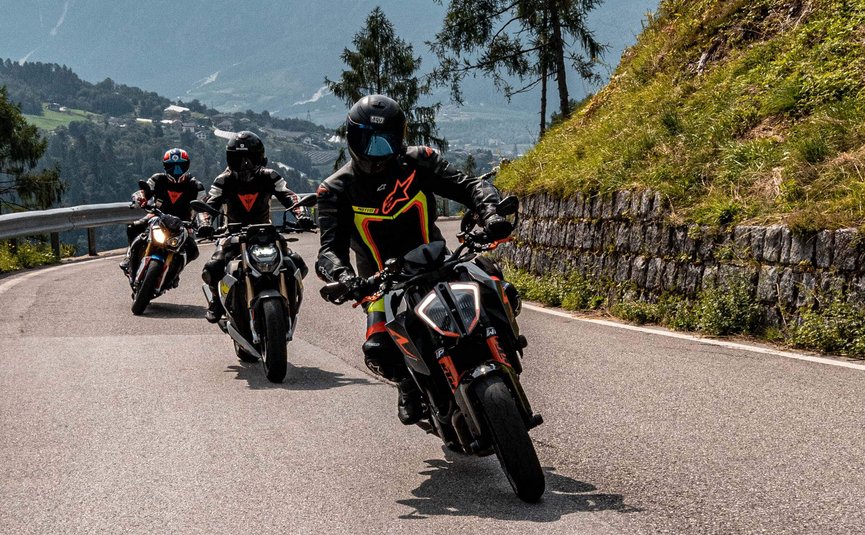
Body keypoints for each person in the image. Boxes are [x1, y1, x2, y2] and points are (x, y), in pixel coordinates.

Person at [314, 94, 513, 425]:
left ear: (400, 138)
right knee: (378, 349)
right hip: (380, 283)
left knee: (496, 287)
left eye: (386, 140)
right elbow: (328, 250)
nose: (377, 151)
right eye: (368, 140)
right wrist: (346, 279)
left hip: (438, 260)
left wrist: (490, 213)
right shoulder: (335, 190)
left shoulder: (421, 160)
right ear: (352, 138)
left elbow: (469, 187)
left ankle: (505, 348)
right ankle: (408, 384)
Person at [199, 130, 313, 323]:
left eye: (250, 158)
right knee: (214, 266)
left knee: (297, 264)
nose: (245, 165)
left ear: (260, 158)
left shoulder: (270, 177)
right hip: (233, 233)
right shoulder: (224, 180)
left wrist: (302, 215)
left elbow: (288, 196)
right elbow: (209, 204)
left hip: (266, 232)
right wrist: (205, 222)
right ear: (229, 159)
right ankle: (217, 301)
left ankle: (290, 301)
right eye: (239, 159)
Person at [120, 147, 204, 276]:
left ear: (187, 166)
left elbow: (203, 206)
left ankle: (175, 273)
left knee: (193, 251)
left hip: (184, 223)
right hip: (157, 215)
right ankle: (128, 257)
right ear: (165, 167)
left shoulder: (196, 186)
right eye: (172, 167)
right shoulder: (157, 179)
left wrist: (204, 223)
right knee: (134, 227)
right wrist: (140, 198)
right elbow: (144, 192)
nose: (176, 170)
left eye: (180, 166)